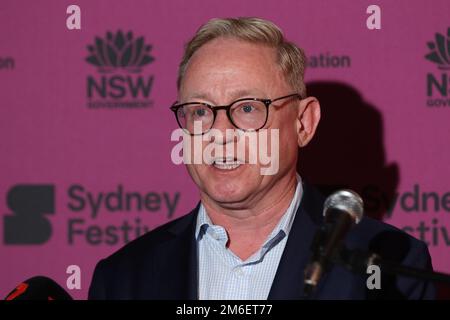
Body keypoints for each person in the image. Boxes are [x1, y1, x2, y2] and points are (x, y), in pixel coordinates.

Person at [88, 17, 435, 300]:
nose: (219, 132)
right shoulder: (122, 277)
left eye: (248, 108)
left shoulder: (388, 266)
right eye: (199, 111)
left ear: (303, 123)